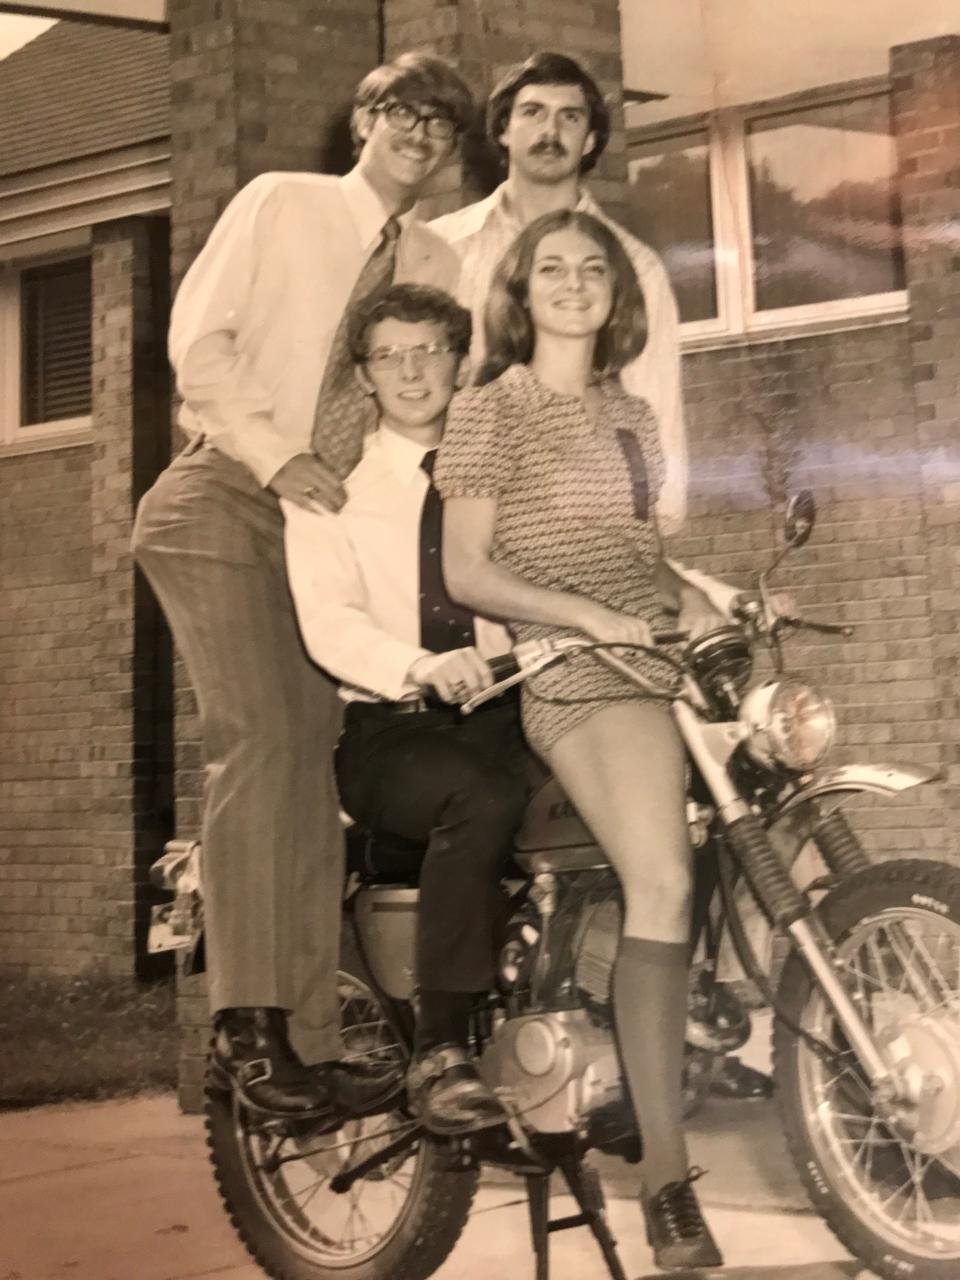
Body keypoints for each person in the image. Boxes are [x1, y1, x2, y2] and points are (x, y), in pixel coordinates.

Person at [131, 53, 474, 1121]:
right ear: (364, 117)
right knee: (266, 738)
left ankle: (311, 1035)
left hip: (320, 526)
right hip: (226, 494)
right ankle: (243, 1026)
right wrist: (276, 453)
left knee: (320, 757)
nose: (419, 133)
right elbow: (199, 342)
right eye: (402, 111)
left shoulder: (435, 258)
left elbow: (419, 398)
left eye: (442, 124)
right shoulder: (280, 202)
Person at [435, 209, 726, 1270]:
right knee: (665, 884)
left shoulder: (632, 417)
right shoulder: (489, 409)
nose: (570, 281)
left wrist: (698, 597)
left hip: (650, 654)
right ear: (519, 292)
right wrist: (582, 616)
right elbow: (467, 569)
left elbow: (640, 552)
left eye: (590, 267)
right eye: (549, 268)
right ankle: (669, 1185)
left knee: (756, 819)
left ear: (617, 292)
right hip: (569, 668)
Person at [284, 282, 528, 1134]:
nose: (413, 368)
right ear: (365, 376)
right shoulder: (329, 496)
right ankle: (442, 1048)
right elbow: (329, 625)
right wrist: (420, 667)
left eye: (430, 348)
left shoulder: (503, 477)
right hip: (394, 729)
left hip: (509, 705)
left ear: (461, 362)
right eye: (391, 354)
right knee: (483, 797)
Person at [430, 50, 686, 534]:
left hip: (577, 524)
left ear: (590, 140)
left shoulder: (633, 265)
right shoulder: (442, 247)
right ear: (504, 130)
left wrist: (658, 534)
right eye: (533, 113)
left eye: (569, 117)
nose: (551, 132)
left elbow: (655, 404)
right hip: (453, 515)